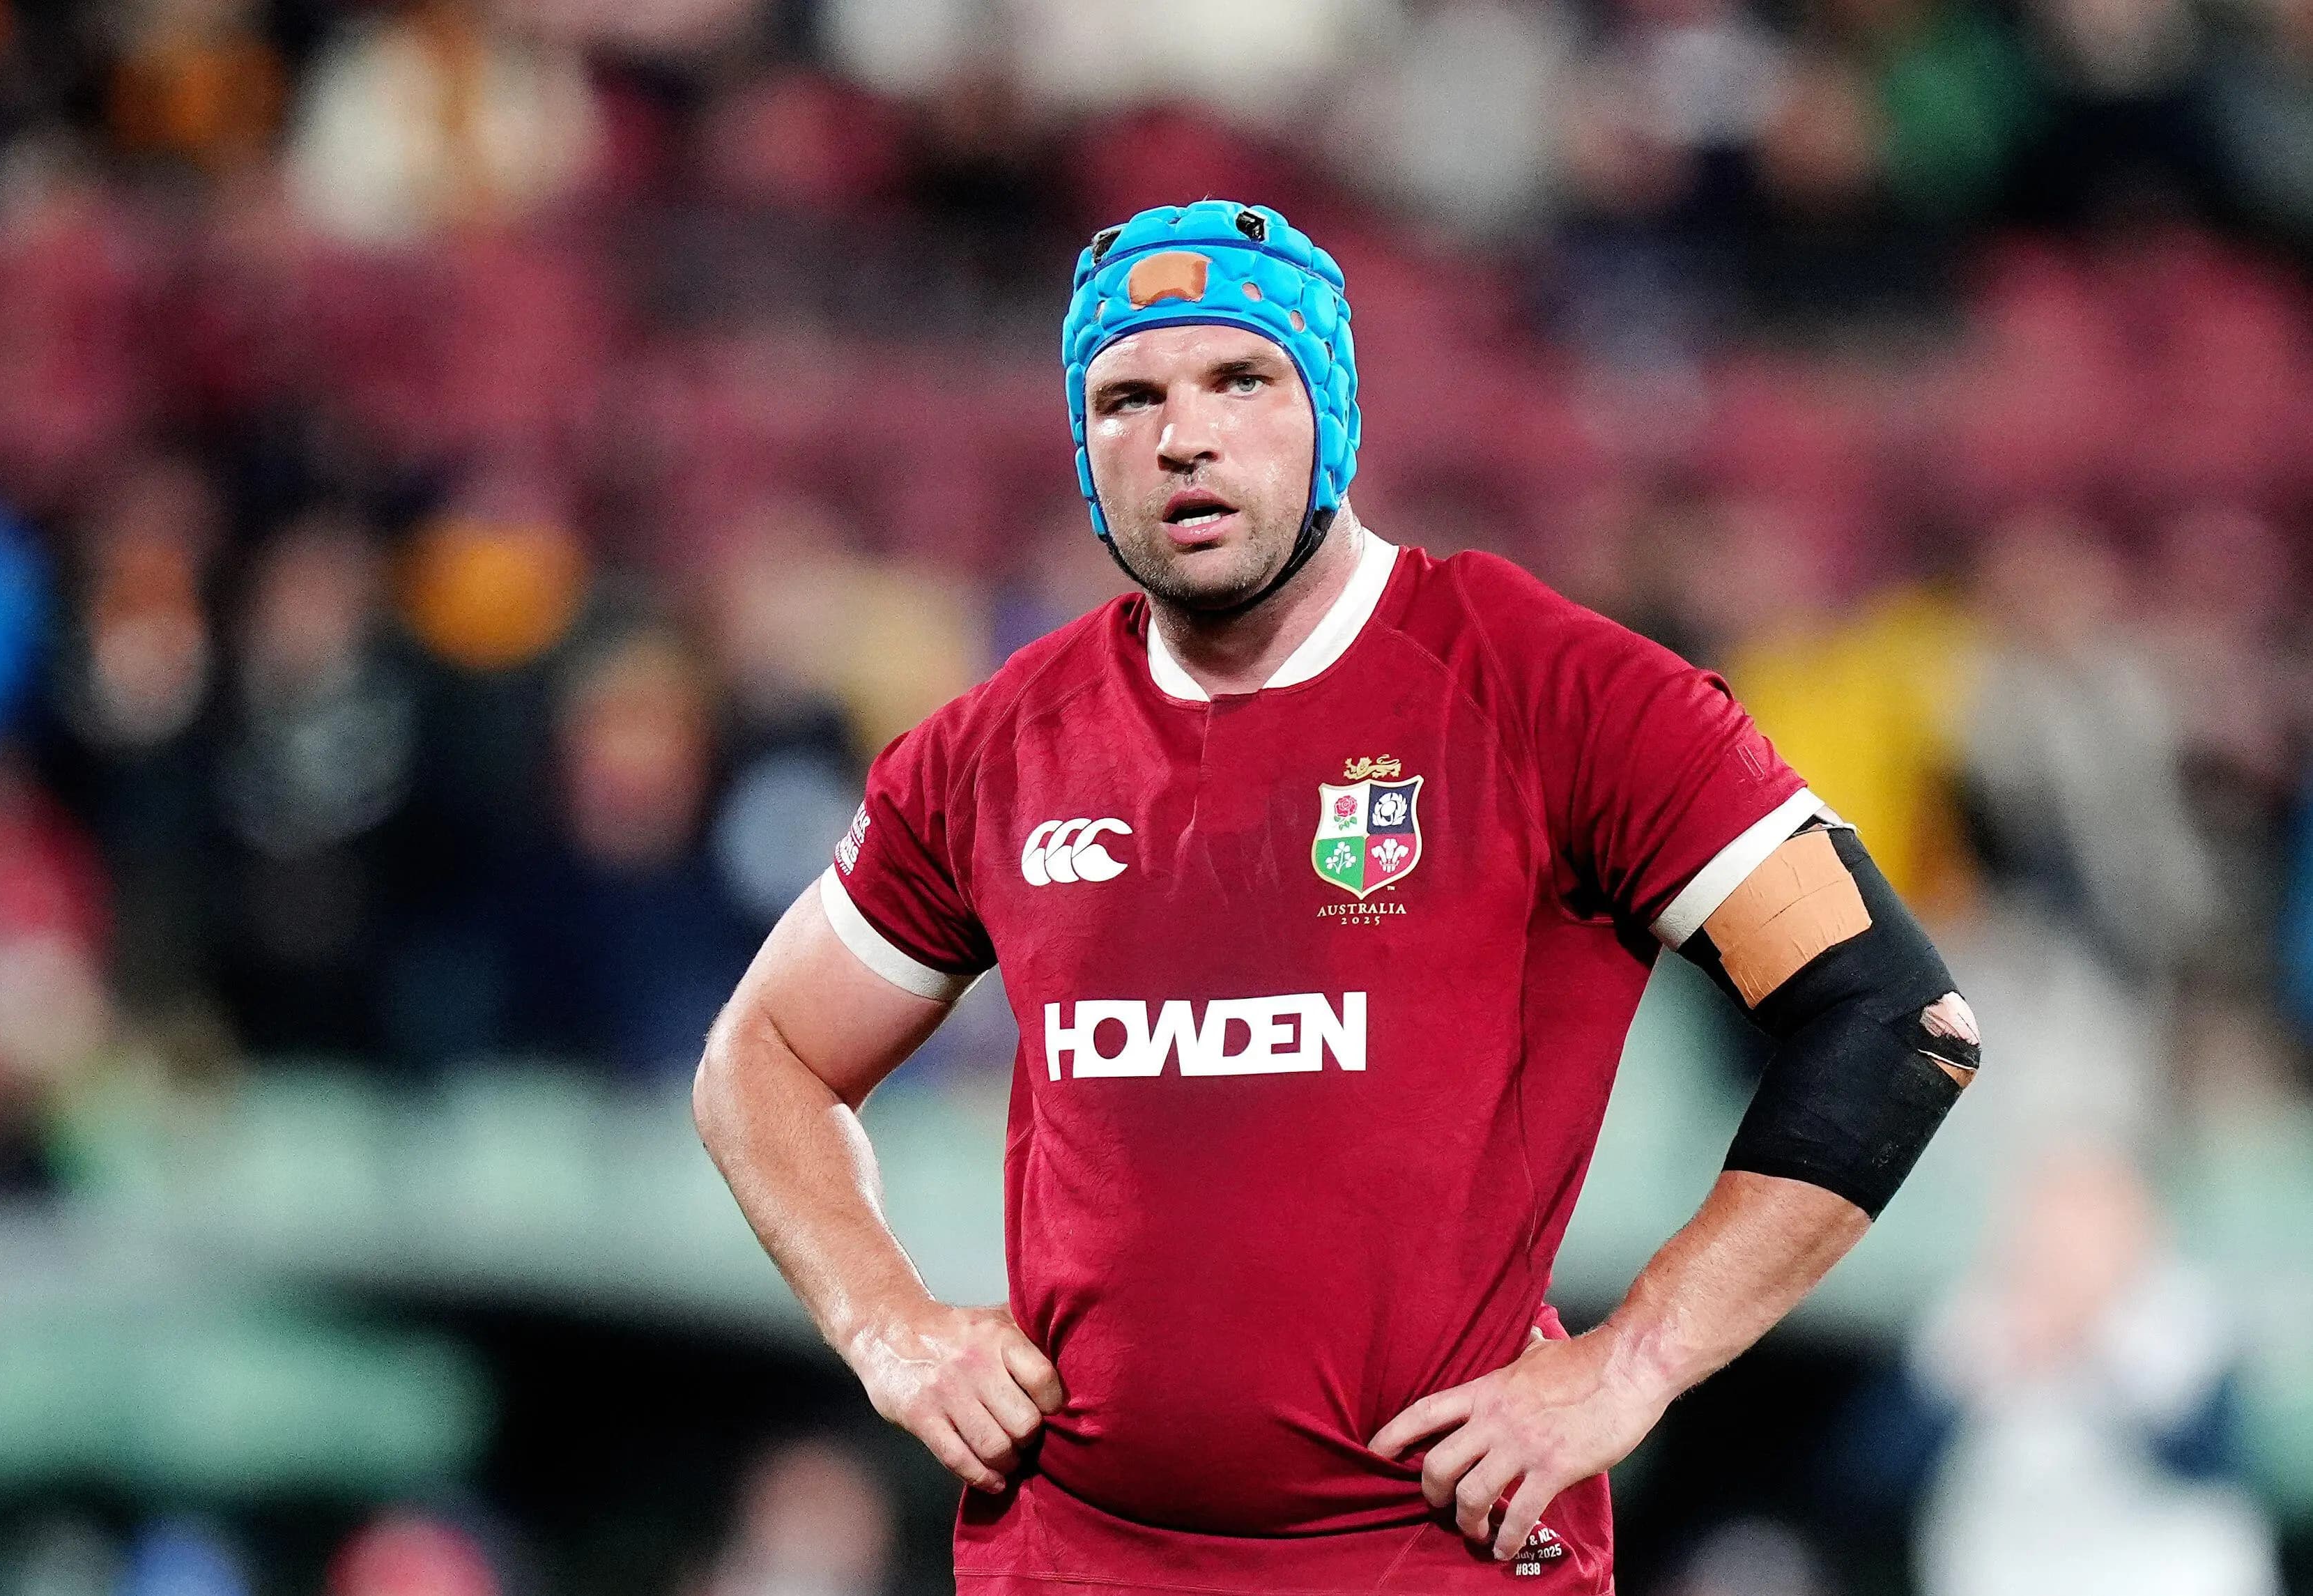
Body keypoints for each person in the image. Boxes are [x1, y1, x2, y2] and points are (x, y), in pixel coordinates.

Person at [693, 201, 1980, 1594]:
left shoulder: (1557, 694)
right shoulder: (998, 745)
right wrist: (888, 1325)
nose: (1182, 434)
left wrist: (1639, 1357)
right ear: (1085, 450)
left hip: (1436, 1558)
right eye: (1127, 397)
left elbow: (1900, 1019)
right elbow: (762, 1056)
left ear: (1334, 408)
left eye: (1239, 378)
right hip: (1072, 1560)